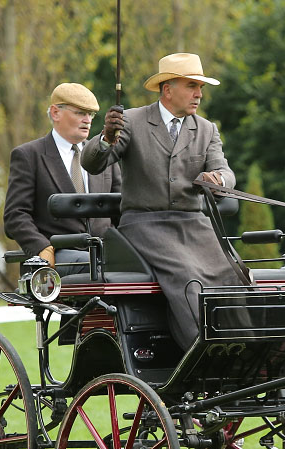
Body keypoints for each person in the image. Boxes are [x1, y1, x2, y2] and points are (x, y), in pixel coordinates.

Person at [81, 52, 247, 350]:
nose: (198, 94)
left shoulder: (206, 129)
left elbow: (224, 170)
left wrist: (218, 180)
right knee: (187, 276)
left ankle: (245, 353)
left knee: (233, 274)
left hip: (194, 226)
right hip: (145, 226)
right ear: (167, 89)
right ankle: (204, 353)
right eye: (191, 86)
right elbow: (93, 164)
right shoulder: (131, 120)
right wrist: (105, 137)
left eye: (201, 88)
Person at [3, 83, 121, 275]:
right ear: (56, 112)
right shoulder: (29, 155)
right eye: (80, 113)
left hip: (104, 253)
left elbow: (121, 211)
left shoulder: (104, 154)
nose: (87, 120)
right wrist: (42, 247)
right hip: (58, 256)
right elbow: (15, 215)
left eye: (91, 114)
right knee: (97, 266)